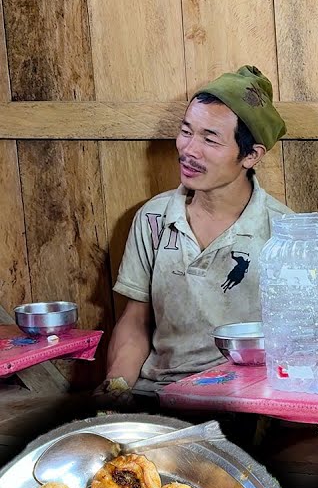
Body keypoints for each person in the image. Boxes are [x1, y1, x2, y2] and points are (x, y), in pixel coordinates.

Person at [98, 66, 290, 402]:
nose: (189, 150)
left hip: (249, 401)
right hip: (158, 393)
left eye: (210, 139)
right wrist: (116, 391)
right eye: (186, 131)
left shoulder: (283, 233)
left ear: (251, 155)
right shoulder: (154, 219)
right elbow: (135, 321)